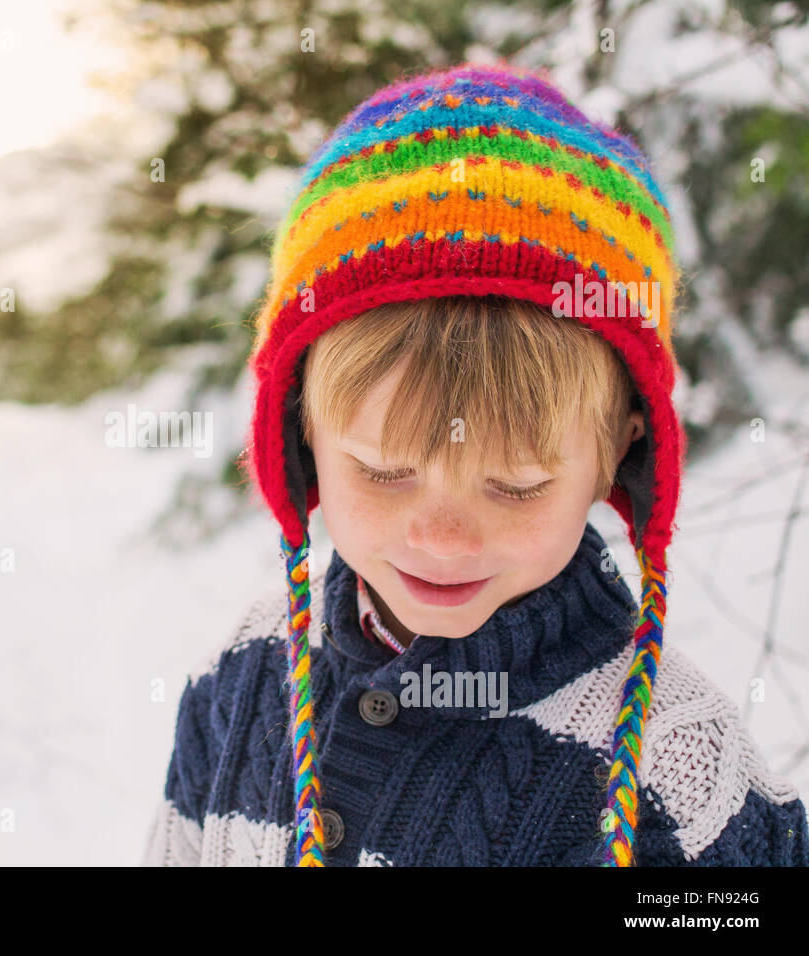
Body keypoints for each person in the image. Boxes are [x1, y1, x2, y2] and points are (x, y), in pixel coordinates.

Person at [141, 60, 809, 866]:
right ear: (303, 432)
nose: (445, 539)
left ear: (616, 455)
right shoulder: (245, 677)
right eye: (385, 471)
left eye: (517, 485)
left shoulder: (677, 775)